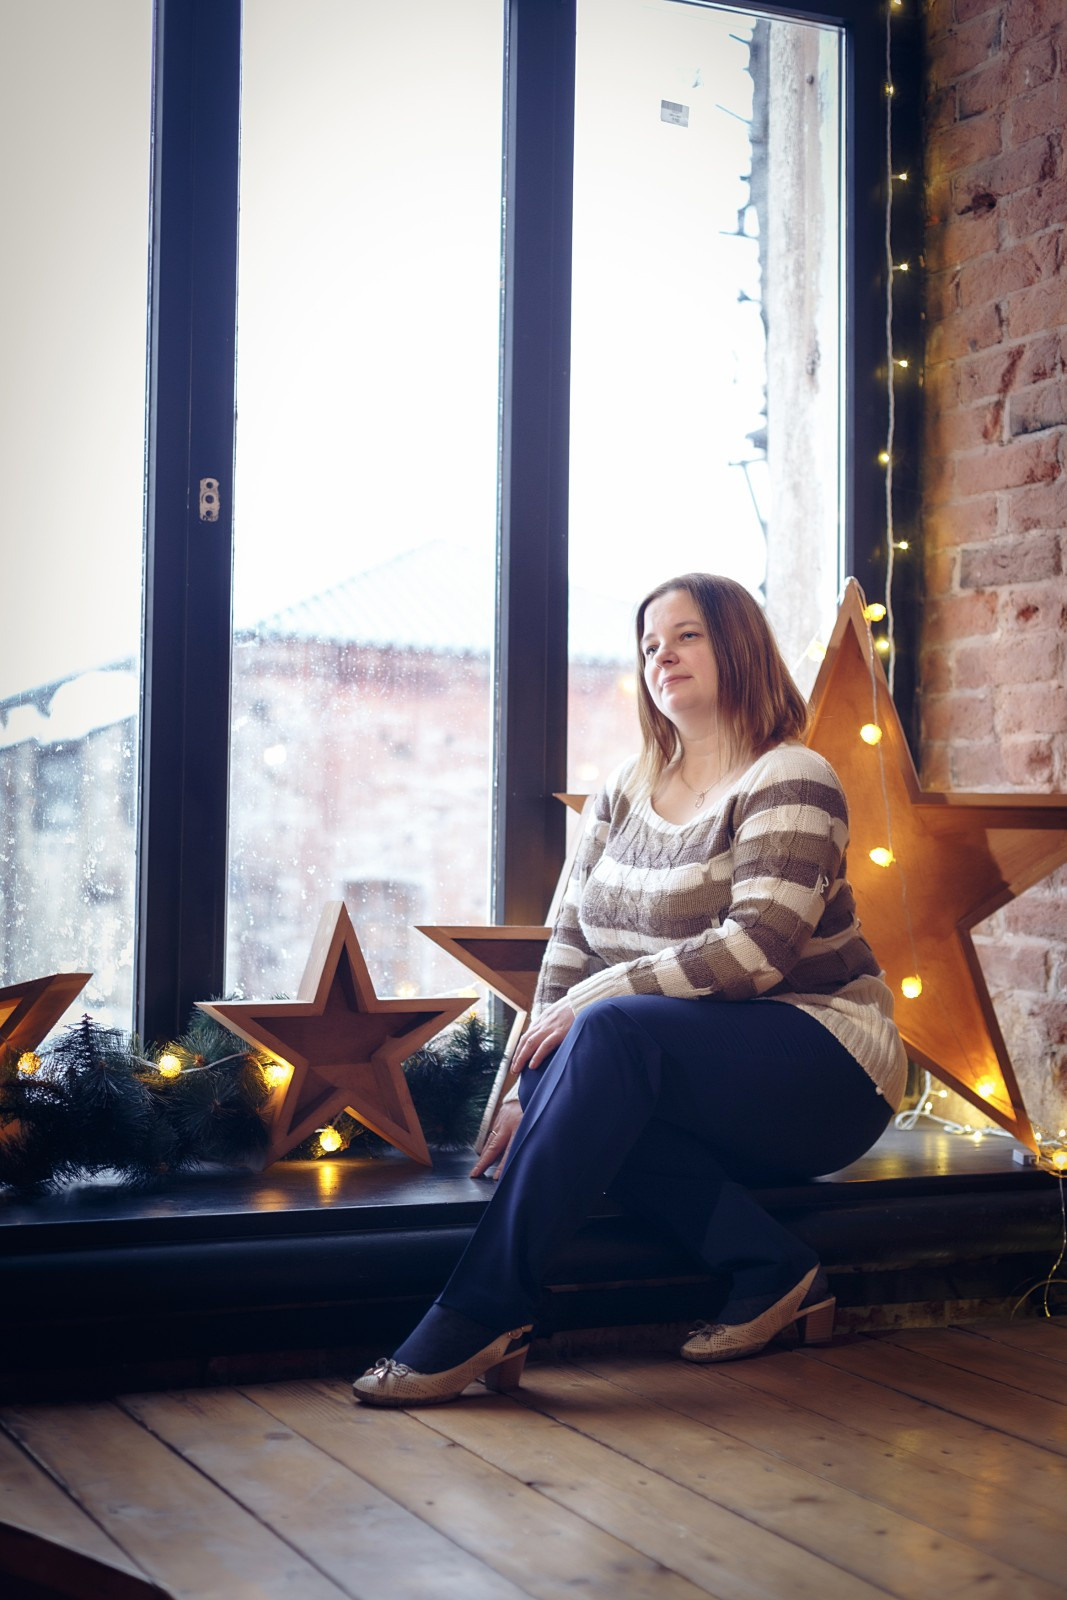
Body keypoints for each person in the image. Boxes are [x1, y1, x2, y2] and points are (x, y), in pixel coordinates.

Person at [353, 573, 907, 1406]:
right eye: (649, 644)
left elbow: (756, 951)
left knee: (609, 1034)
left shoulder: (792, 775)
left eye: (685, 635)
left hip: (823, 1068)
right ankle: (773, 1269)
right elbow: (568, 945)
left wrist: (600, 999)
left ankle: (482, 1313)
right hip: (692, 1068)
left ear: (738, 646)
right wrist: (519, 1093)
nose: (662, 656)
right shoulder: (623, 787)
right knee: (577, 1070)